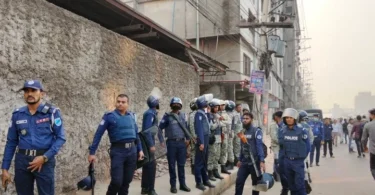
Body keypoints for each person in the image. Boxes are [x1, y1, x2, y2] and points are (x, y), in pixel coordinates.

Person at [1, 80, 66, 195]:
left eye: (33, 90)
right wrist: (4, 168)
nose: (29, 94)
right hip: (22, 161)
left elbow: (60, 138)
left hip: (44, 161)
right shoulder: (17, 114)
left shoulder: (52, 113)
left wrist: (45, 157)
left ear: (42, 93)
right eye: (26, 91)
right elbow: (11, 142)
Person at [88, 94, 144, 195]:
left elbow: (136, 134)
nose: (120, 104)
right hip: (118, 152)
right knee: (117, 182)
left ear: (128, 104)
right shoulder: (109, 117)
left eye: (123, 102)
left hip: (132, 151)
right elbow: (98, 134)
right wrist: (92, 152)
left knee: (126, 181)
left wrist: (140, 149)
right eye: (118, 101)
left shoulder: (132, 116)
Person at [159, 97, 191, 193]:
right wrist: (161, 141)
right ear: (171, 105)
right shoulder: (167, 116)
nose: (176, 105)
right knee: (172, 165)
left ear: (180, 105)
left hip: (182, 143)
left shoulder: (184, 116)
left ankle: (182, 184)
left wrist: (188, 139)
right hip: (171, 143)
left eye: (178, 104)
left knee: (181, 165)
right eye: (174, 104)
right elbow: (159, 128)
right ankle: (173, 186)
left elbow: (186, 128)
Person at [279, 108, 310, 195]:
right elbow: (282, 147)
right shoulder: (283, 131)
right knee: (291, 186)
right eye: (287, 117)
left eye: (291, 117)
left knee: (299, 186)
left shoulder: (302, 130)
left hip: (298, 161)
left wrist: (301, 158)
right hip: (287, 161)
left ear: (295, 118)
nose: (288, 119)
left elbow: (308, 146)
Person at [235, 113, 265, 195]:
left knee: (255, 185)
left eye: (247, 118)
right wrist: (240, 159)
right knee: (239, 182)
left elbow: (259, 146)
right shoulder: (242, 131)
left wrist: (262, 160)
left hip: (254, 162)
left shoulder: (257, 131)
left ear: (251, 119)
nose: (244, 120)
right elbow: (242, 147)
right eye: (243, 118)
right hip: (244, 162)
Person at [141, 95, 163, 195]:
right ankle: (150, 189)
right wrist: (151, 145)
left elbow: (156, 128)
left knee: (147, 165)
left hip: (149, 141)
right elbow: (146, 131)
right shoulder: (150, 114)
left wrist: (161, 140)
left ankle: (145, 188)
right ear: (155, 103)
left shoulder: (152, 113)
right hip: (147, 142)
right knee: (151, 166)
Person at [194, 94, 215, 191]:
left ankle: (205, 179)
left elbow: (208, 123)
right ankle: (198, 182)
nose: (208, 105)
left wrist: (209, 113)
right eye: (206, 104)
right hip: (202, 140)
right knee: (199, 162)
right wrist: (201, 142)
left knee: (204, 161)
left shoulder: (203, 113)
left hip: (206, 139)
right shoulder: (198, 114)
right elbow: (199, 130)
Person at [269, 111, 290, 195]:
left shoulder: (283, 125)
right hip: (276, 146)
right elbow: (274, 137)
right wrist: (282, 142)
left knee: (281, 162)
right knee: (277, 161)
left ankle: (282, 179)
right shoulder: (273, 125)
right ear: (277, 117)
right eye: (281, 117)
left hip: (283, 148)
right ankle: (277, 175)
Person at [207, 99, 224, 181]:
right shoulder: (209, 116)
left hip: (218, 137)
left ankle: (216, 171)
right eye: (215, 107)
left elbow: (221, 125)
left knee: (217, 155)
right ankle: (209, 172)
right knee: (211, 155)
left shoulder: (217, 115)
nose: (217, 109)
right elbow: (211, 127)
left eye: (217, 107)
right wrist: (218, 121)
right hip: (212, 138)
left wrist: (220, 120)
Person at [218, 100, 231, 174]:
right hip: (217, 135)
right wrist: (221, 122)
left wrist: (221, 122)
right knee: (216, 151)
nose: (223, 106)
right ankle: (214, 169)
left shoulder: (225, 114)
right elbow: (215, 122)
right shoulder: (215, 113)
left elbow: (229, 122)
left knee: (224, 150)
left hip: (224, 134)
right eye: (222, 105)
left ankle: (223, 166)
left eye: (224, 105)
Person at [362, 109, 375, 179]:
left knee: (373, 168)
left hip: (373, 151)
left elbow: (364, 139)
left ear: (372, 115)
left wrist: (365, 147)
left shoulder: (368, 125)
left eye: (370, 114)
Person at [188, 98, 198, 175]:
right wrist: (194, 136)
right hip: (194, 136)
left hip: (198, 136)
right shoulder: (192, 114)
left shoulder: (198, 113)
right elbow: (191, 126)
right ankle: (194, 168)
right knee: (194, 151)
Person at [225, 100, 236, 170]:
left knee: (229, 148)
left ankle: (231, 163)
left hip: (229, 133)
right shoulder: (231, 113)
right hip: (228, 132)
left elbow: (232, 125)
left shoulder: (231, 114)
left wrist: (231, 132)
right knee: (227, 148)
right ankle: (227, 162)